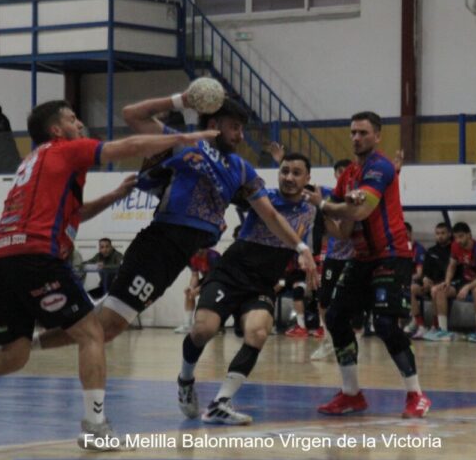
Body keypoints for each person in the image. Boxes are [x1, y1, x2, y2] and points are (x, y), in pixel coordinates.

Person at [0, 99, 219, 450]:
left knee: (14, 354)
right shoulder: (65, 149)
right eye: (73, 119)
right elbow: (129, 145)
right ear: (57, 130)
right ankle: (95, 428)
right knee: (93, 332)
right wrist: (185, 139)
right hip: (35, 255)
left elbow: (74, 214)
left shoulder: (34, 162)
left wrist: (114, 195)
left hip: (1, 257)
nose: (80, 124)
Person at [30, 92, 317, 376]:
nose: (241, 136)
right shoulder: (182, 144)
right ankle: (28, 349)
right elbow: (132, 113)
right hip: (158, 245)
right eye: (235, 127)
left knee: (108, 326)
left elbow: (271, 215)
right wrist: (181, 100)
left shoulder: (242, 169)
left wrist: (302, 247)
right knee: (106, 327)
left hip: (177, 259)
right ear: (215, 124)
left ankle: (25, 345)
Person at [305, 111, 431, 419]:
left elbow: (360, 212)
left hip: (392, 254)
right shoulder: (348, 174)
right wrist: (321, 214)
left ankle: (416, 395)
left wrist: (323, 204)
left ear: (377, 136)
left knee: (386, 324)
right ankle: (352, 394)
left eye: (362, 132)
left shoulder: (381, 166)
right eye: (352, 133)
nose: (356, 138)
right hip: (361, 258)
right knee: (334, 317)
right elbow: (343, 226)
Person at [177, 153, 317, 424]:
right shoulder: (263, 198)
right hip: (230, 273)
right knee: (203, 329)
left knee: (258, 332)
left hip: (261, 283)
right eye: (284, 171)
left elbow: (336, 205)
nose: (289, 177)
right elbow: (228, 191)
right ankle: (185, 380)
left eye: (296, 172)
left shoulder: (311, 208)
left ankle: (221, 402)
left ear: (307, 178)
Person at [311, 159, 353, 360]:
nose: (343, 174)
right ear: (336, 175)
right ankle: (328, 340)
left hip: (355, 256)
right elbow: (308, 188)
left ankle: (352, 341)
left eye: (347, 171)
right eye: (340, 172)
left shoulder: (358, 194)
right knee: (324, 299)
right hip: (334, 256)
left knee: (351, 300)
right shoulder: (328, 194)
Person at [430, 222, 476, 344]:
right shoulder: (455, 246)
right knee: (441, 291)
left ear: (469, 235)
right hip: (467, 280)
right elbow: (452, 266)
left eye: (461, 236)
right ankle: (443, 331)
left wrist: (468, 287)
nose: (458, 240)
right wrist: (447, 282)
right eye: (456, 237)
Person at [408, 223, 451, 340]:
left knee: (436, 290)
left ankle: (436, 326)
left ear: (449, 234)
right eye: (437, 234)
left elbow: (451, 273)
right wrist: (425, 279)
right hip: (429, 284)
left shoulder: (453, 251)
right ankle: (420, 325)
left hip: (445, 285)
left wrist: (436, 284)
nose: (440, 236)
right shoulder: (431, 251)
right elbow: (424, 272)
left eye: (443, 233)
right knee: (410, 289)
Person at [174, 247, 221, 334]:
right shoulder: (192, 257)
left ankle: (217, 326)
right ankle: (187, 325)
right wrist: (191, 287)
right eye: (196, 249)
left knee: (211, 296)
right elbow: (195, 276)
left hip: (218, 279)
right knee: (189, 293)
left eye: (201, 249)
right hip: (207, 278)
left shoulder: (213, 256)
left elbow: (214, 276)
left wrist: (200, 289)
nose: (198, 252)